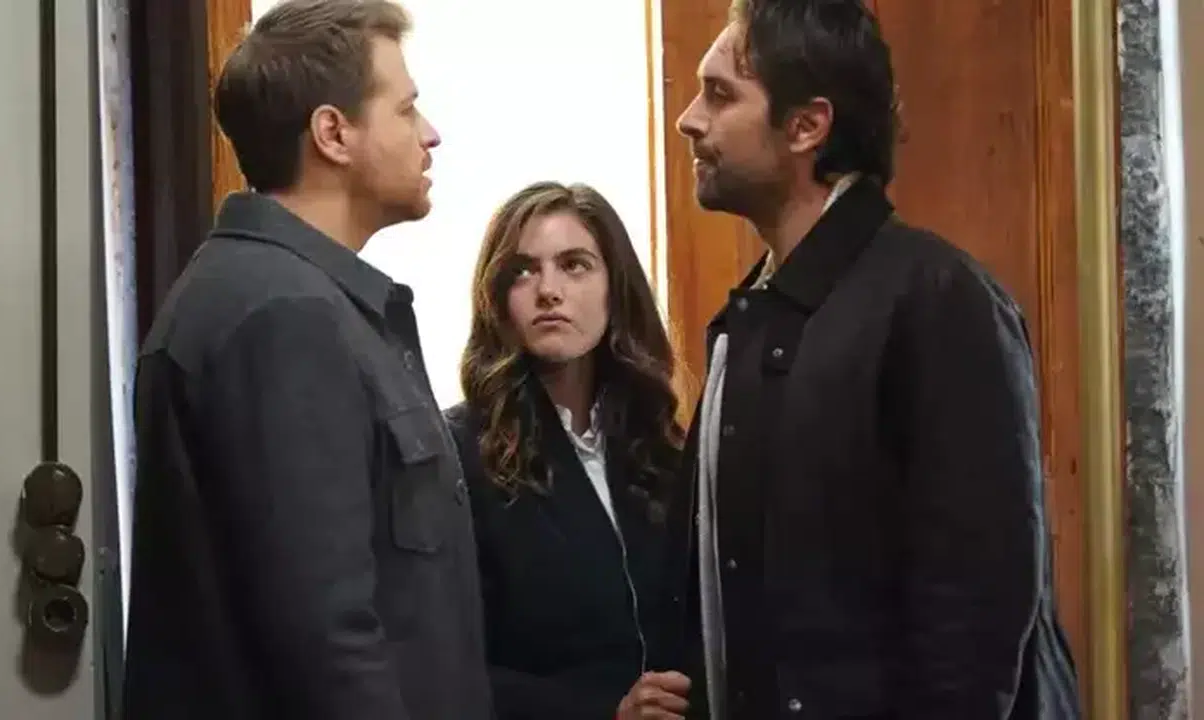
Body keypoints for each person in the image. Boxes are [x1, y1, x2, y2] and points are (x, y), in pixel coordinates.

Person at [668, 1, 1082, 718]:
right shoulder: (754, 316)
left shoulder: (938, 297)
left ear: (807, 126)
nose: (689, 120)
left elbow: (974, 622)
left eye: (720, 94)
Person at [123, 1, 492, 718]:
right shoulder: (280, 315)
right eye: (406, 109)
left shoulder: (293, 296)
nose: (429, 134)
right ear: (333, 133)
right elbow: (325, 640)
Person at [444, 181, 693, 720]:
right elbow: (444, 662)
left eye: (575, 265)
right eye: (522, 271)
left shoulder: (664, 446)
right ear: (496, 298)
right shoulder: (456, 451)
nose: (548, 291)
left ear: (615, 288)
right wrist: (604, 711)